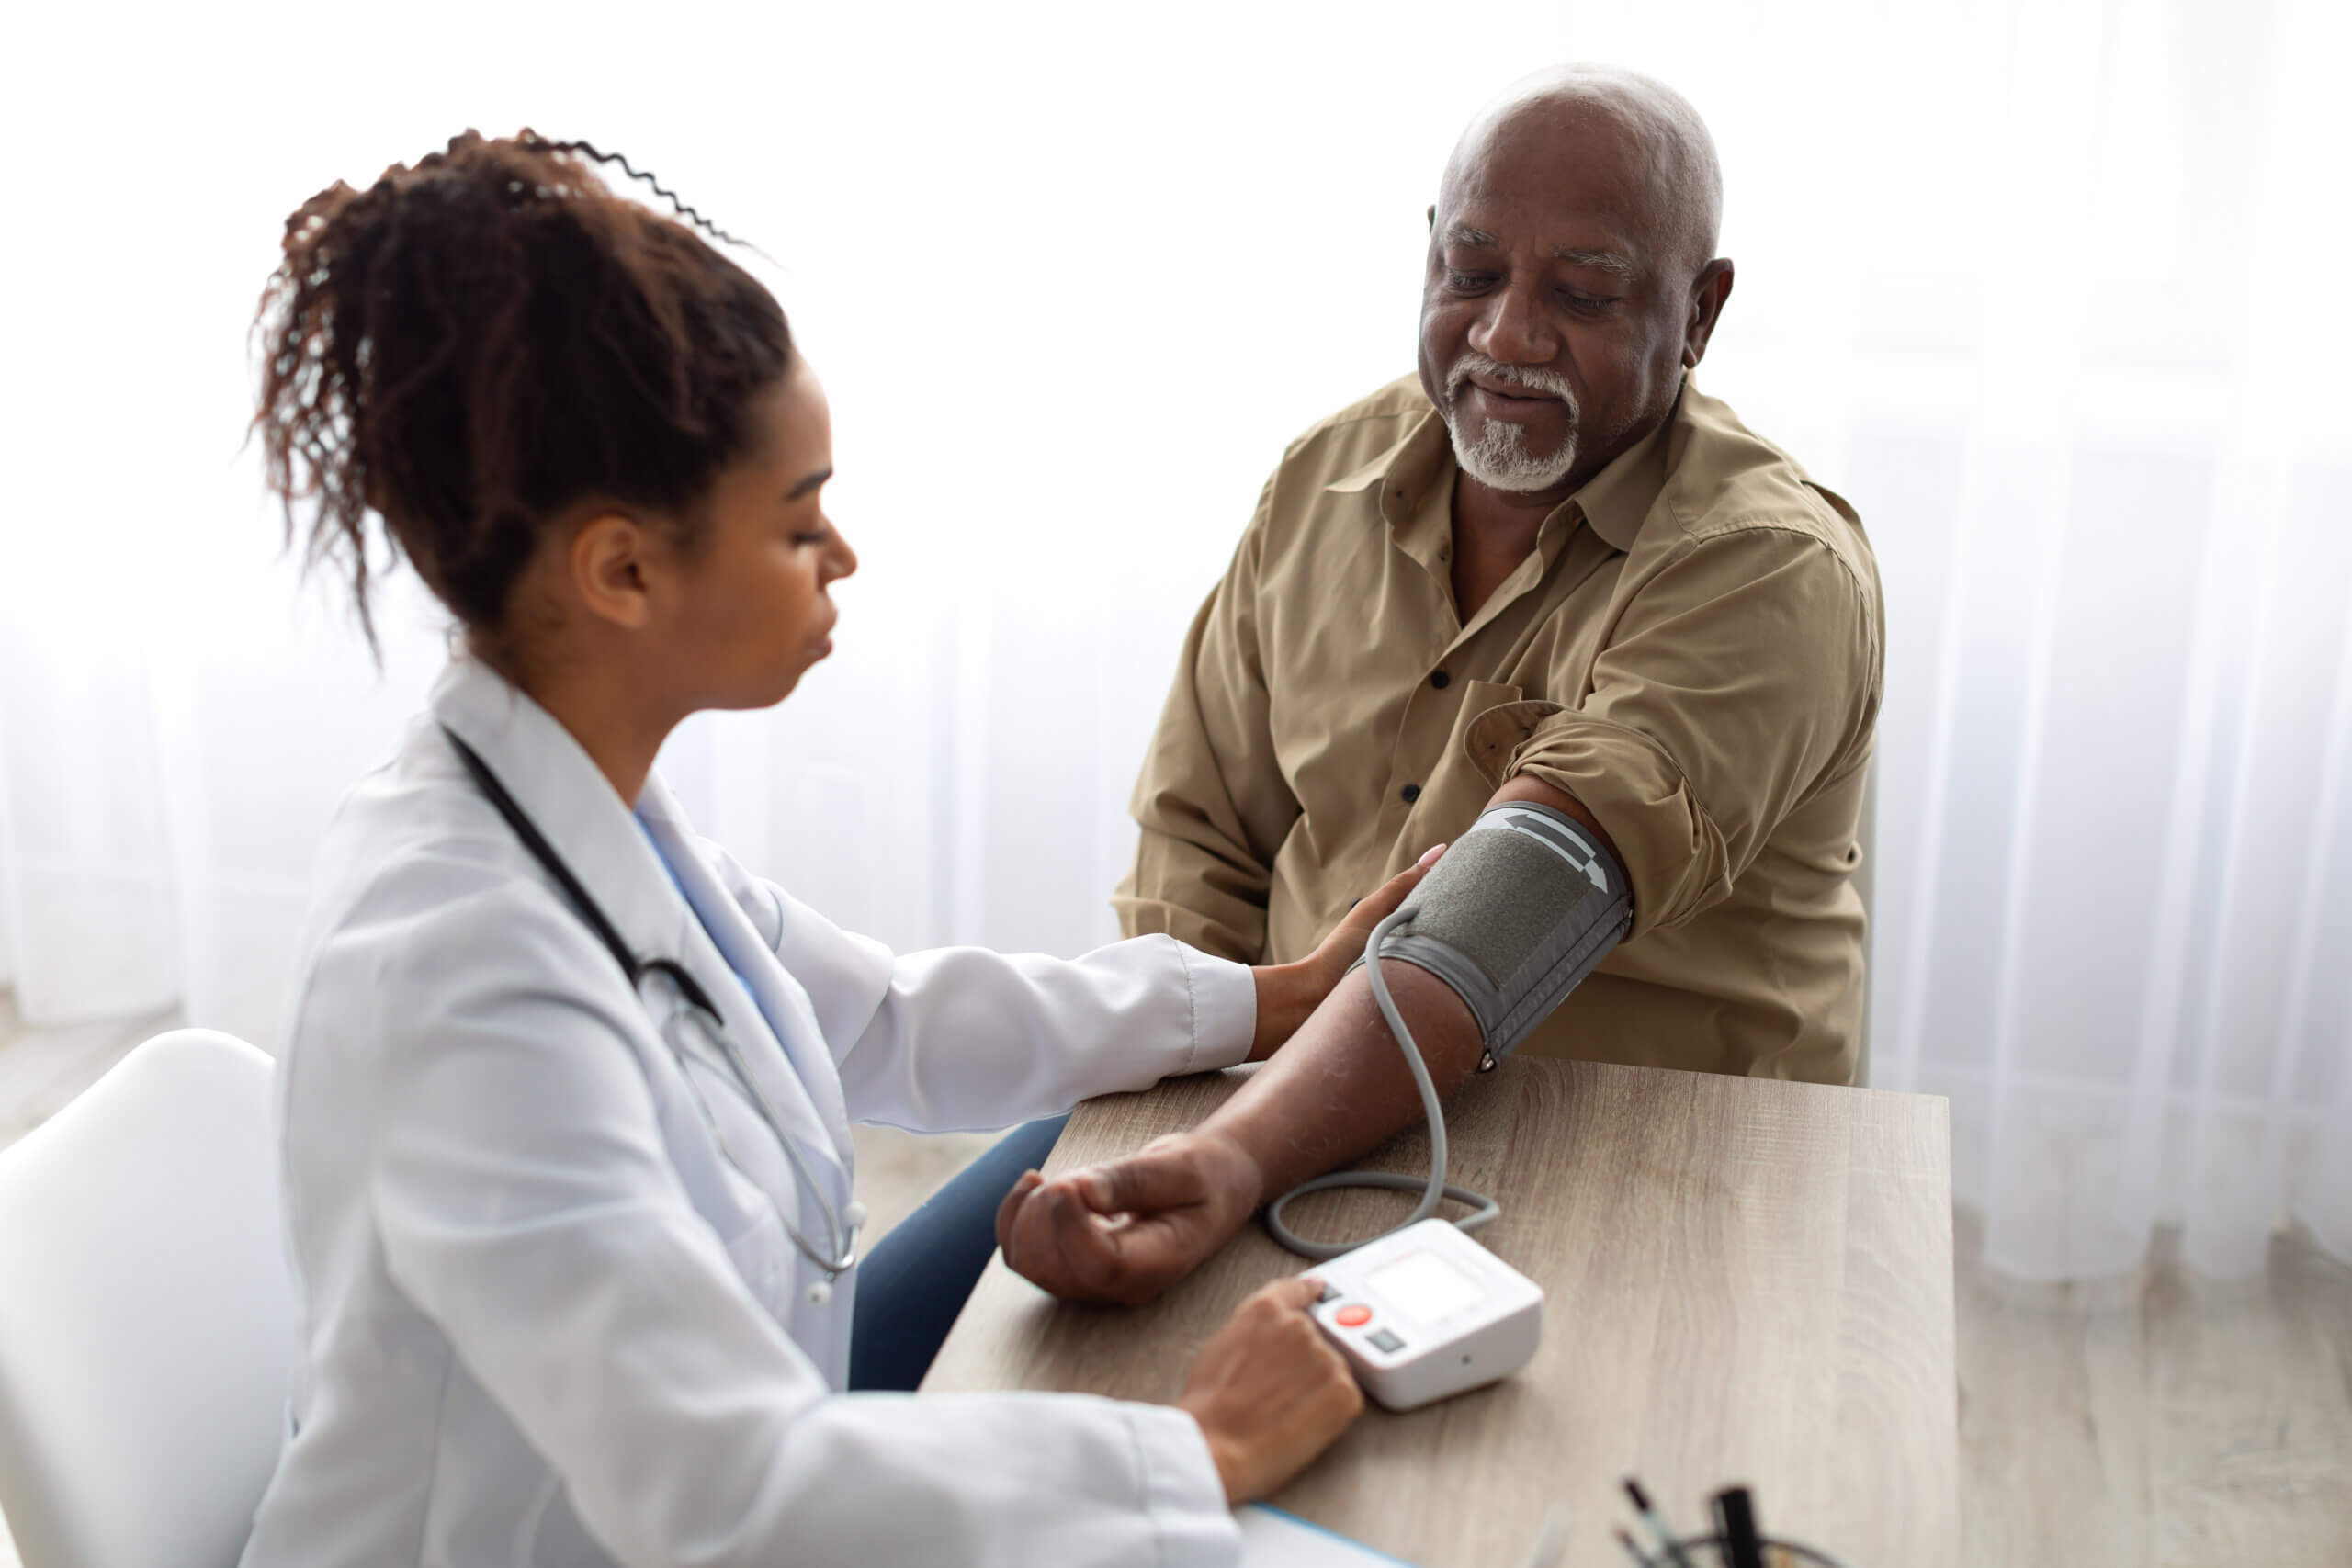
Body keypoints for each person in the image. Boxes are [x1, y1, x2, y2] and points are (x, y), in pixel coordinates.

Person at [237, 131, 1435, 1568]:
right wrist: (1195, 1450)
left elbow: (888, 1015)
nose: (844, 556)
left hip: (748, 1428)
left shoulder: (579, 806)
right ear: (622, 569)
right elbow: (726, 1497)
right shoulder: (459, 975)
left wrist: (1276, 996)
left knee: (1100, 1127)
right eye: (800, 522)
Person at [996, 67, 1883, 1308]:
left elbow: (1519, 904)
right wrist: (1175, 1107)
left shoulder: (1765, 567)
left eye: (1583, 290)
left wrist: (1227, 1160)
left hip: (1631, 1168)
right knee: (901, 1373)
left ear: (1699, 313)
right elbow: (1197, 835)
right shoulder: (1328, 476)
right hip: (1257, 1098)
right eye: (1471, 273)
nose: (1506, 333)